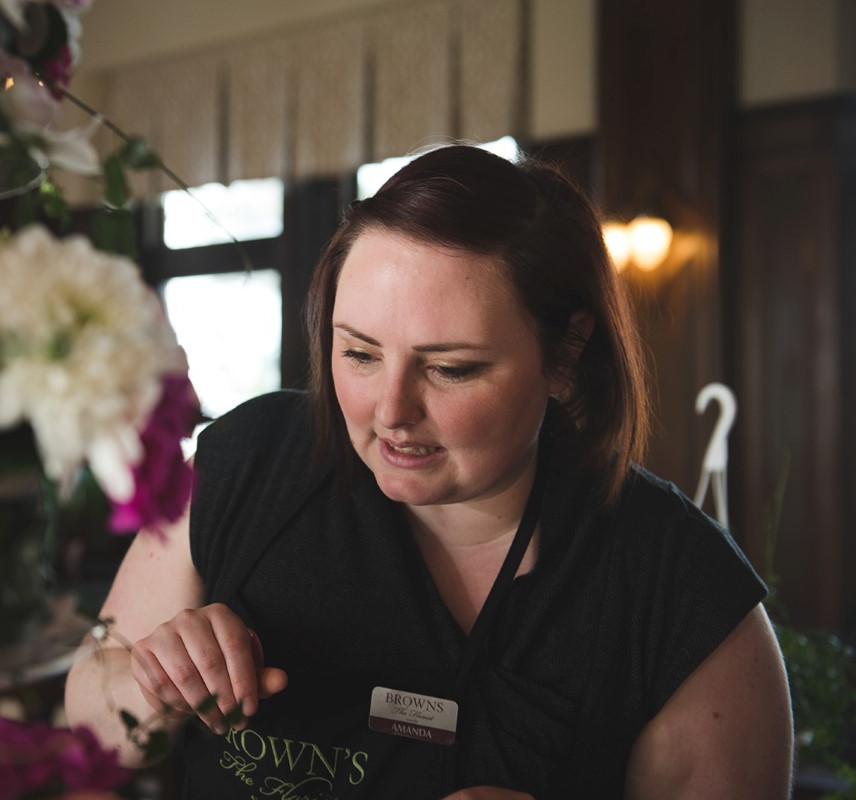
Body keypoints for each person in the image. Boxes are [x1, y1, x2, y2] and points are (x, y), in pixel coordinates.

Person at [63, 144, 793, 799]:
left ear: (566, 354)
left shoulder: (683, 592)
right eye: (359, 354)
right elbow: (92, 713)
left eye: (450, 369)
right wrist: (150, 685)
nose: (390, 411)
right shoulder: (250, 464)